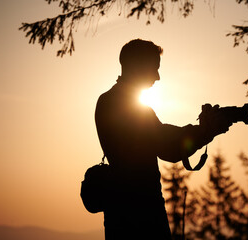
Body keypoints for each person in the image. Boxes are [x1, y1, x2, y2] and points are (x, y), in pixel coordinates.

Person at [95, 39, 230, 239]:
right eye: (154, 68)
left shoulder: (107, 101)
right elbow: (167, 145)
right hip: (141, 216)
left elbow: (163, 140)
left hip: (121, 215)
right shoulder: (128, 107)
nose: (157, 77)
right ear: (137, 66)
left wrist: (204, 131)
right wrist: (206, 130)